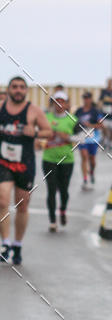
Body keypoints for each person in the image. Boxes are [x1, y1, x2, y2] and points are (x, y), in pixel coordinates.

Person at [0, 75, 52, 265]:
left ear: (26, 91)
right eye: (15, 87)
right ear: (9, 90)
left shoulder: (33, 111)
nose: (18, 90)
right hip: (3, 162)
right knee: (2, 200)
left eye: (22, 87)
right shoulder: (1, 108)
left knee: (22, 205)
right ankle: (5, 243)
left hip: (24, 163)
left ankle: (17, 244)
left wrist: (36, 133)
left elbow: (48, 131)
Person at [42, 90, 78, 231]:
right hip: (49, 158)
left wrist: (67, 137)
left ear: (67, 104)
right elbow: (39, 132)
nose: (59, 104)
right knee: (51, 190)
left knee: (63, 190)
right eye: (56, 101)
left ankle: (62, 210)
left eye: (62, 101)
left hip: (67, 160)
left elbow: (82, 137)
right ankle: (52, 220)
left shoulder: (72, 119)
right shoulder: (46, 118)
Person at [75, 91, 102, 189]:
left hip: (93, 138)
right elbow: (74, 124)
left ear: (91, 99)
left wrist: (89, 125)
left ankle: (91, 172)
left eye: (88, 98)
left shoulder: (96, 111)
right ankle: (85, 179)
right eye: (84, 98)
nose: (86, 100)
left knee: (92, 160)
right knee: (84, 157)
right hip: (82, 138)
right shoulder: (79, 111)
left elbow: (100, 125)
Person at [98, 77, 112, 150]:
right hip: (105, 113)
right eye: (109, 82)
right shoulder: (103, 91)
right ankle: (105, 141)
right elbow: (100, 100)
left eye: (111, 82)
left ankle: (111, 142)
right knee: (104, 128)